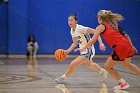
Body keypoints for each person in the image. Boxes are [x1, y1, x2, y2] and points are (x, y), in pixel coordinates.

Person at [75, 10, 140, 90]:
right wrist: (131, 45)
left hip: (120, 47)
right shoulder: (113, 24)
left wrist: (83, 48)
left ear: (99, 17)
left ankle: (123, 83)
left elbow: (93, 40)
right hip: (127, 45)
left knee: (107, 67)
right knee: (127, 65)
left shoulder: (100, 27)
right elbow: (126, 35)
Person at [55, 13, 108, 83]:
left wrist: (101, 43)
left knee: (72, 64)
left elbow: (96, 32)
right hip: (83, 50)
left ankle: (63, 78)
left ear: (76, 21)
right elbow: (75, 43)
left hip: (89, 50)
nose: (70, 22)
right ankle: (103, 71)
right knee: (89, 64)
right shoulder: (72, 30)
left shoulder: (80, 28)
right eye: (68, 20)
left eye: (71, 20)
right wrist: (67, 51)